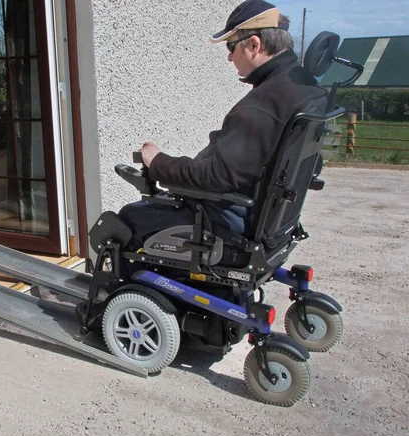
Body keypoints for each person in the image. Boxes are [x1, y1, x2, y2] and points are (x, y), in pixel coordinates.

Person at [118, 0, 328, 253]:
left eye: (231, 47)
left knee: (126, 219)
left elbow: (213, 177)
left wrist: (157, 162)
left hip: (235, 221)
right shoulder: (305, 89)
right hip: (270, 221)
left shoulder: (262, 105)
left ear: (254, 44)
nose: (229, 57)